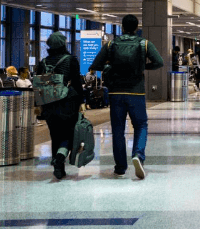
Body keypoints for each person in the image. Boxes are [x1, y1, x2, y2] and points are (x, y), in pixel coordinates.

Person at [90, 14, 163, 179]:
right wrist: (142, 67)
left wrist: (111, 66)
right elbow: (159, 62)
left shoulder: (111, 44)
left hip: (116, 93)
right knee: (141, 125)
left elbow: (96, 65)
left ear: (122, 27)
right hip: (136, 92)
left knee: (117, 130)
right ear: (137, 28)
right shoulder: (144, 44)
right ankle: (138, 155)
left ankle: (120, 168)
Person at [36, 32, 84, 180]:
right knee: (69, 134)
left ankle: (59, 167)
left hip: (49, 104)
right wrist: (81, 102)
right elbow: (77, 82)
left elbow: (38, 85)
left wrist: (39, 105)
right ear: (64, 44)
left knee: (55, 134)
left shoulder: (43, 62)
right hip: (68, 102)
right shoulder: (70, 60)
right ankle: (60, 157)